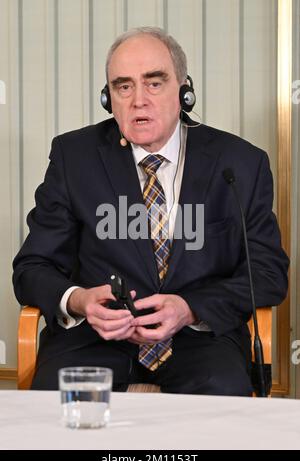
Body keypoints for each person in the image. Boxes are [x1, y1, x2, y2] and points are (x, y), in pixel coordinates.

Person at [13, 27, 289, 395]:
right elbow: (32, 268)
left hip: (200, 340)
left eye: (154, 83)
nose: (138, 100)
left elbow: (267, 272)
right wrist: (79, 301)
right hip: (96, 339)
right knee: (57, 401)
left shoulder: (240, 163)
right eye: (123, 86)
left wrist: (189, 308)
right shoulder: (73, 157)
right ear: (108, 98)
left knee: (223, 398)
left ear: (184, 91)